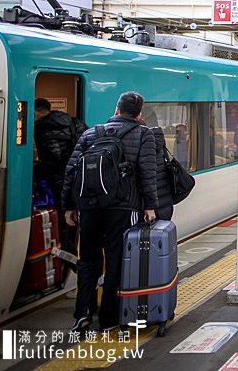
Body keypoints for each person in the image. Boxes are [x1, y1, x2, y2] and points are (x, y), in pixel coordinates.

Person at [62, 91, 158, 334]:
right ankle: (108, 317)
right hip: (123, 207)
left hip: (89, 207)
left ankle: (82, 314)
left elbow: (72, 171)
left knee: (88, 260)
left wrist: (69, 206)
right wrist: (150, 206)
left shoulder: (91, 133)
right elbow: (148, 173)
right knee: (116, 260)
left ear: (116, 110)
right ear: (138, 114)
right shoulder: (143, 134)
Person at [34, 99, 87, 257]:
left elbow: (53, 159)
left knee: (62, 221)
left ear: (36, 113)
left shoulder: (43, 128)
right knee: (74, 220)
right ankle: (76, 258)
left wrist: (35, 171)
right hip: (80, 178)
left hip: (60, 181)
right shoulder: (72, 121)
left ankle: (69, 258)